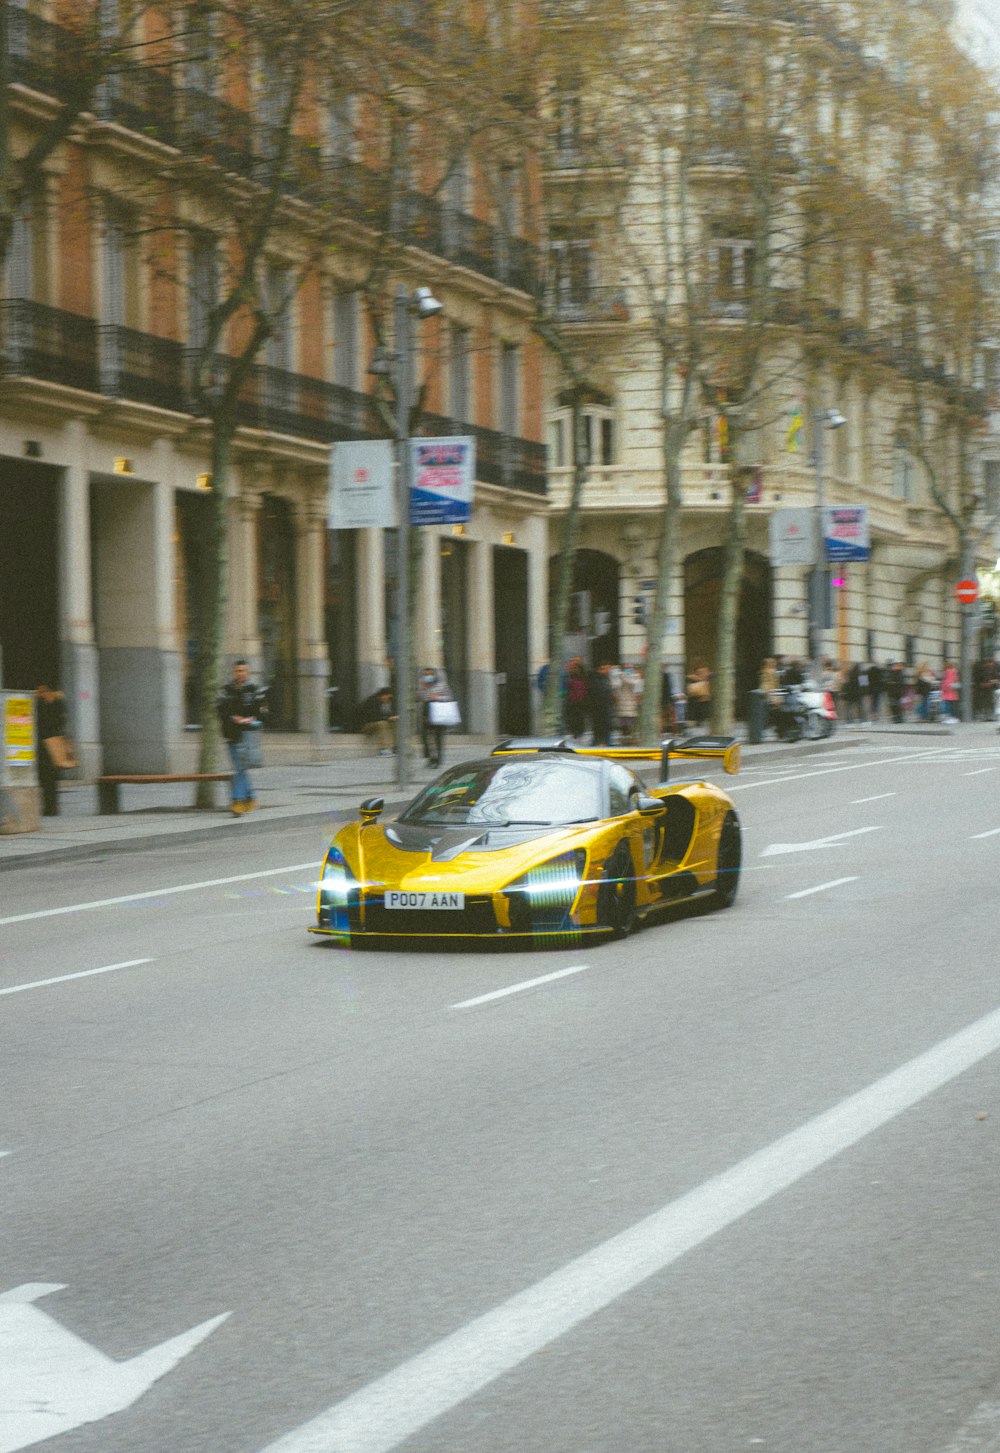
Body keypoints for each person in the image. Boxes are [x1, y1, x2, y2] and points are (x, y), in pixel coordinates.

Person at [217, 659, 267, 815]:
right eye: (238, 670)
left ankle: (237, 801)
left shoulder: (255, 691)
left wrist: (252, 719)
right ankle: (251, 797)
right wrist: (234, 718)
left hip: (248, 735)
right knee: (240, 768)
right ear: (234, 672)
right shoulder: (226, 690)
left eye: (243, 670)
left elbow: (263, 713)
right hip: (232, 734)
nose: (240, 673)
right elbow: (220, 710)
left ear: (248, 672)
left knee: (239, 768)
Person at [36, 684, 69, 817]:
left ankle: (51, 807)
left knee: (48, 777)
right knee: (49, 778)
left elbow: (57, 721)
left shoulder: (49, 702)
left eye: (41, 690)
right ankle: (51, 807)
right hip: (51, 743)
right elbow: (62, 721)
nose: (40, 692)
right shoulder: (57, 701)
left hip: (49, 744)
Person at [416, 665, 454, 768]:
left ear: (434, 675)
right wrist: (423, 689)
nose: (428, 677)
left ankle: (438, 759)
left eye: (429, 674)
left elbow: (449, 697)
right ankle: (430, 757)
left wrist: (438, 697)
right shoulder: (422, 686)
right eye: (425, 675)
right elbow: (419, 698)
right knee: (425, 736)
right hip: (426, 712)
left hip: (439, 712)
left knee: (438, 737)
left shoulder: (442, 685)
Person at [357, 686, 397, 756]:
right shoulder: (372, 701)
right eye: (389, 698)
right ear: (384, 695)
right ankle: (383, 749)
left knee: (394, 723)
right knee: (382, 724)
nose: (389, 700)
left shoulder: (381, 703)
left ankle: (396, 747)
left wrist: (391, 718)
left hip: (374, 723)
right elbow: (374, 717)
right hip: (365, 725)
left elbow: (383, 715)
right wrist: (388, 718)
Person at [588, 662, 615, 746]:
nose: (608, 670)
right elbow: (600, 695)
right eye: (606, 668)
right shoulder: (598, 680)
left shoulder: (603, 679)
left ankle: (602, 743)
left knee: (603, 731)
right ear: (600, 669)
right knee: (601, 731)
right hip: (601, 711)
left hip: (604, 710)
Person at [564, 658, 588, 738]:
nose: (572, 668)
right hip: (573, 702)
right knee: (573, 720)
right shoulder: (569, 676)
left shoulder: (582, 676)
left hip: (579, 702)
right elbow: (564, 690)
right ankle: (576, 734)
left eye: (574, 666)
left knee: (578, 721)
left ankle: (578, 734)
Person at [685, 664, 712, 728]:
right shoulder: (692, 679)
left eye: (705, 672)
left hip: (705, 699)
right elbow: (691, 690)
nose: (704, 674)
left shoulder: (709, 679)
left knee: (703, 711)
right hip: (696, 699)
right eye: (701, 672)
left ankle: (700, 722)